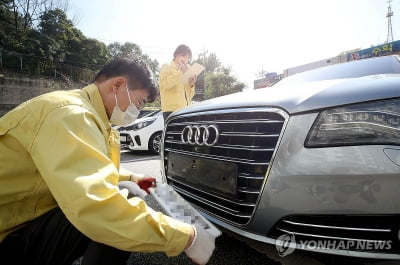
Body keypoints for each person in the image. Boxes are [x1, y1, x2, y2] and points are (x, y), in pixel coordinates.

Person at [0, 57, 216, 265]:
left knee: (127, 187)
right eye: (139, 103)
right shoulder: (71, 115)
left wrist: (133, 176)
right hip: (7, 236)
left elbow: (88, 169)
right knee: (118, 207)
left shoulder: (93, 118)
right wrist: (187, 237)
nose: (136, 112)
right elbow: (95, 202)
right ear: (118, 85)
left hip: (22, 220)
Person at [159, 44, 197, 121]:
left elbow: (190, 96)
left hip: (186, 110)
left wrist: (191, 84)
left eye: (188, 58)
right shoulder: (166, 67)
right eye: (183, 56)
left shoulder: (186, 71)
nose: (185, 60)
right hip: (171, 111)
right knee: (173, 133)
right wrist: (181, 72)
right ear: (176, 54)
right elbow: (165, 84)